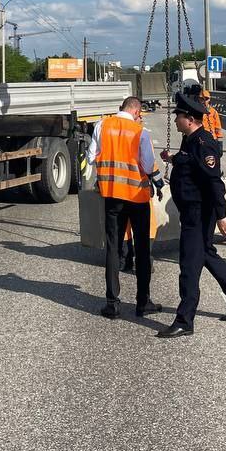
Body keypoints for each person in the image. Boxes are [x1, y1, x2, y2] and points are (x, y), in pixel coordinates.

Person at [156, 91, 226, 338]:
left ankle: (185, 319)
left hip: (199, 212)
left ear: (189, 118)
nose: (175, 120)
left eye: (178, 116)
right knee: (207, 254)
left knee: (188, 265)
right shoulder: (190, 141)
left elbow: (214, 182)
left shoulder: (203, 142)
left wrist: (221, 215)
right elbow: (191, 163)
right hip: (191, 210)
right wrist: (173, 159)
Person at [87, 97, 164, 319]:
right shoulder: (140, 132)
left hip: (111, 195)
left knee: (113, 246)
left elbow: (91, 156)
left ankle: (112, 304)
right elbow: (148, 164)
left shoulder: (102, 125)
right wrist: (158, 182)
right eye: (140, 113)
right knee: (141, 249)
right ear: (136, 110)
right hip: (137, 197)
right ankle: (143, 302)